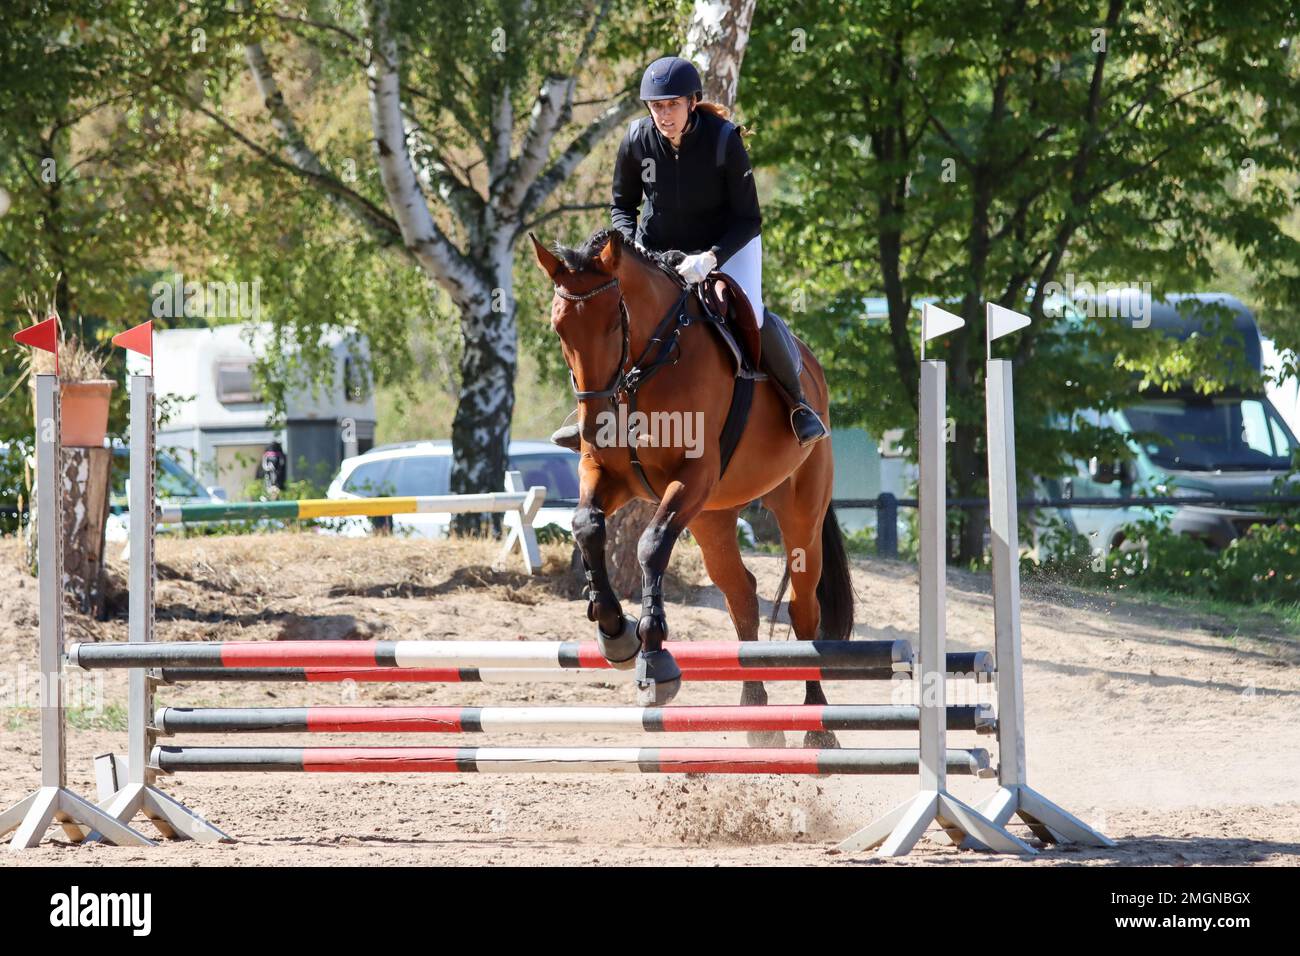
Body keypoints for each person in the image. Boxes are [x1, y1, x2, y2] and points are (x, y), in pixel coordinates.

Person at [550, 55, 828, 451]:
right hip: (657, 250)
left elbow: (749, 219)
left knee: (752, 313)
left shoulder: (723, 140)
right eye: (657, 106)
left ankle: (797, 404)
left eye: (673, 105)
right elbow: (621, 206)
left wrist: (711, 258)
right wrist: (633, 248)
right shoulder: (636, 140)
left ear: (692, 102)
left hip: (725, 247)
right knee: (603, 315)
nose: (664, 115)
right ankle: (591, 417)